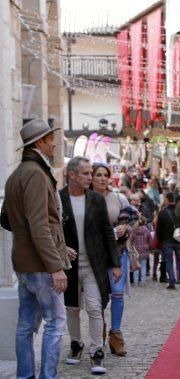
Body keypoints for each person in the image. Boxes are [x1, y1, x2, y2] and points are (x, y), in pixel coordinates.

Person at [1, 119, 69, 379]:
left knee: (25, 325)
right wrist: (55, 265)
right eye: (51, 138)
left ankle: (25, 376)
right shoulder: (35, 173)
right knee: (55, 322)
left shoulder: (17, 174)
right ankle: (47, 376)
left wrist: (61, 250)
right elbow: (40, 225)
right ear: (39, 142)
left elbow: (6, 219)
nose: (54, 143)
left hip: (24, 260)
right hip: (41, 264)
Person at [60, 156, 122, 375]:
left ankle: (97, 351)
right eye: (86, 173)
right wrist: (61, 250)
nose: (90, 177)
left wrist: (115, 263)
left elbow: (107, 231)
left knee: (95, 307)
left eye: (90, 173)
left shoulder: (96, 199)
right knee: (72, 308)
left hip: (94, 264)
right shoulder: (59, 199)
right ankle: (76, 344)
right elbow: (52, 230)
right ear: (72, 175)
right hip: (69, 265)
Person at [91, 162, 131, 356]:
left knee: (117, 293)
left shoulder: (118, 198)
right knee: (98, 296)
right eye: (98, 174)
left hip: (118, 251)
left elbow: (132, 217)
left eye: (105, 175)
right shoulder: (86, 199)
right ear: (91, 178)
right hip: (95, 255)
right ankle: (99, 330)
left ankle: (116, 334)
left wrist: (126, 228)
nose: (102, 178)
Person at [156, 191, 180, 289]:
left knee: (169, 262)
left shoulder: (162, 213)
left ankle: (172, 282)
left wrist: (161, 240)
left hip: (167, 241)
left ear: (166, 199)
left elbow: (158, 229)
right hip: (179, 241)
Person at [130, 215, 151, 286]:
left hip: (135, 250)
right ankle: (143, 281)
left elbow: (130, 240)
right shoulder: (147, 230)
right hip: (144, 250)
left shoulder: (134, 230)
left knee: (136, 266)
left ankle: (135, 281)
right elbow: (150, 240)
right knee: (143, 266)